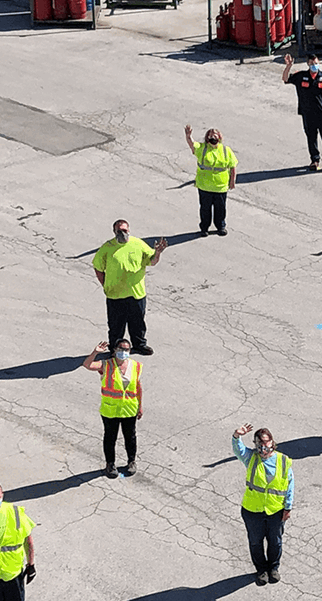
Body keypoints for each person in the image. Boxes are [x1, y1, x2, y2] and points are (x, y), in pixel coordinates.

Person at [91, 219, 168, 355]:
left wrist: (157, 253)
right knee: (116, 325)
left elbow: (152, 262)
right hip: (115, 295)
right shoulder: (107, 248)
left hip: (136, 293)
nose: (122, 233)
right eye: (119, 231)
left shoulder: (138, 244)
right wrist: (105, 284)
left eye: (124, 230)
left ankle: (139, 345)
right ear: (114, 232)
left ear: (129, 230)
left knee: (138, 322)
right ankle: (115, 349)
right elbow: (98, 267)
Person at [232, 423, 294, 584]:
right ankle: (261, 570)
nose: (263, 446)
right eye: (259, 443)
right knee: (255, 542)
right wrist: (237, 436)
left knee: (275, 542)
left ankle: (273, 568)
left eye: (266, 442)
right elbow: (238, 451)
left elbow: (290, 485)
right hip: (252, 511)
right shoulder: (251, 457)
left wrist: (287, 508)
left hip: (275, 511)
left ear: (272, 442)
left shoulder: (283, 461)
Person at [83, 338, 143, 478]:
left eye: (127, 349)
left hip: (129, 408)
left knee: (130, 437)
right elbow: (87, 365)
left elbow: (138, 387)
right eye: (121, 349)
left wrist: (140, 406)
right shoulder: (106, 365)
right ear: (115, 350)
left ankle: (131, 462)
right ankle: (110, 464)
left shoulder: (136, 366)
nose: (124, 352)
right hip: (110, 409)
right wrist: (95, 352)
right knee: (110, 438)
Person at [282, 52, 322, 173]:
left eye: (316, 63)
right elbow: (285, 79)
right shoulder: (301, 76)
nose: (314, 65)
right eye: (312, 63)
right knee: (311, 138)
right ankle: (315, 160)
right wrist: (288, 66)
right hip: (308, 114)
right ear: (308, 64)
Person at [184, 124, 237, 235]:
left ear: (219, 138)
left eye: (215, 135)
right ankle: (204, 228)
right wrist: (188, 136)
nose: (213, 137)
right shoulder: (202, 148)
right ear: (207, 138)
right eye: (210, 135)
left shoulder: (226, 150)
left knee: (220, 210)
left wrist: (232, 181)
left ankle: (221, 227)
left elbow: (233, 166)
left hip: (220, 187)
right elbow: (192, 145)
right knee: (205, 209)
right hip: (205, 186)